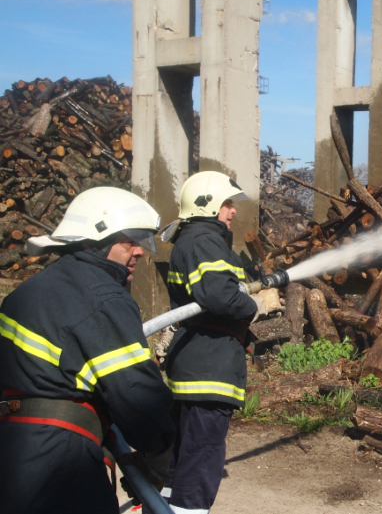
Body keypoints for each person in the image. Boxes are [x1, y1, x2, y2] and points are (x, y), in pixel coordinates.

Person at [0, 187, 175, 514]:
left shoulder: (30, 290)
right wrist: (160, 454)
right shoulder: (104, 298)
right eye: (129, 241)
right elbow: (138, 394)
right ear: (95, 242)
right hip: (61, 463)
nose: (139, 251)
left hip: (12, 450)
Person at [162, 171, 269, 513]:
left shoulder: (196, 240)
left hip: (197, 361)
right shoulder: (205, 240)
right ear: (206, 206)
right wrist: (256, 305)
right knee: (201, 457)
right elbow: (219, 295)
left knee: (183, 456)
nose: (232, 211)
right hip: (208, 366)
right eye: (226, 204)